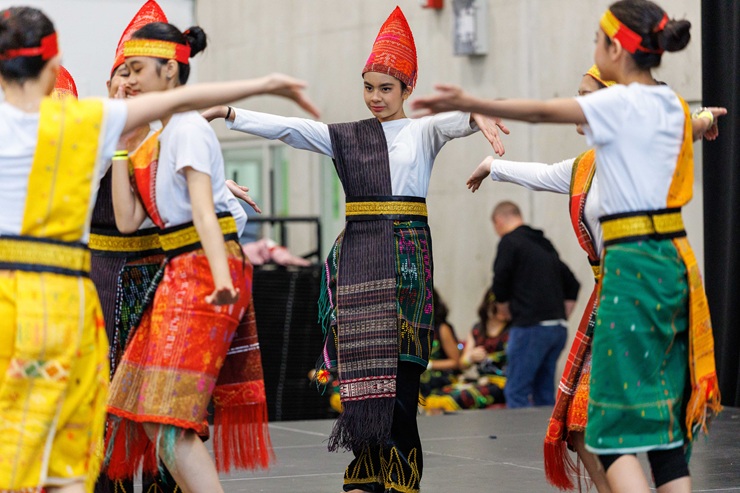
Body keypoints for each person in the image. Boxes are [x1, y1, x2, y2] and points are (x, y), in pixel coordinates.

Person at [0, 6, 318, 493]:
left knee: (22, 430)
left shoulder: (152, 129)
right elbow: (185, 105)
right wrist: (265, 83)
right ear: (52, 66)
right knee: (81, 439)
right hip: (68, 301)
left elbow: (186, 171)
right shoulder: (88, 122)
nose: (128, 79)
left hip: (19, 293)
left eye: (135, 69)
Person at [412, 1, 723, 491]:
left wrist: (475, 101)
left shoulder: (619, 105)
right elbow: (691, 125)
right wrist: (704, 120)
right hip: (672, 266)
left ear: (616, 50)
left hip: (630, 273)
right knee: (661, 435)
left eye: (597, 42)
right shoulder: (670, 108)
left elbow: (541, 111)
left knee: (606, 435)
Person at [203, 7, 508, 492]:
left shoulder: (423, 131)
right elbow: (290, 128)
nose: (375, 97)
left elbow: (459, 119)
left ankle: (402, 478)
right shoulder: (345, 136)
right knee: (361, 378)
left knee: (402, 379)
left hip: (406, 263)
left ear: (407, 88)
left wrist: (480, 114)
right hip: (359, 263)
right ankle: (366, 472)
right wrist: (229, 113)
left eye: (386, 88)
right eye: (368, 87)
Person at [102, 20, 319, 493]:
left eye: (137, 69)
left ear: (170, 71)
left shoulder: (187, 129)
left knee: (167, 415)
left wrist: (221, 278)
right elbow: (126, 220)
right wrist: (120, 149)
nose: (130, 80)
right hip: (179, 270)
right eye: (126, 71)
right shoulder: (152, 142)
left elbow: (204, 210)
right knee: (149, 413)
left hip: (204, 267)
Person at [489, 201, 580, 408]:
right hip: (557, 330)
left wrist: (504, 312)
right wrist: (560, 314)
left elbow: (500, 283)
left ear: (499, 220)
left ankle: (518, 432)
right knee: (543, 391)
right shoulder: (543, 243)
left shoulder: (509, 242)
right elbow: (573, 283)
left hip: (530, 328)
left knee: (516, 390)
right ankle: (547, 430)